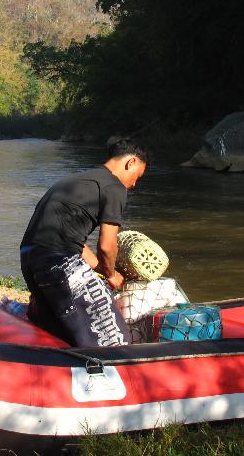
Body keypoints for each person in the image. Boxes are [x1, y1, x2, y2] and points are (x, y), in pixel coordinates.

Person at [18, 138, 149, 347]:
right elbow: (107, 245)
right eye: (138, 177)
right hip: (58, 262)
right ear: (131, 162)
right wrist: (111, 274)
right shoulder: (114, 187)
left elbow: (73, 241)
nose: (134, 184)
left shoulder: (76, 181)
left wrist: (99, 268)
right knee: (112, 334)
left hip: (31, 259)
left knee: (60, 332)